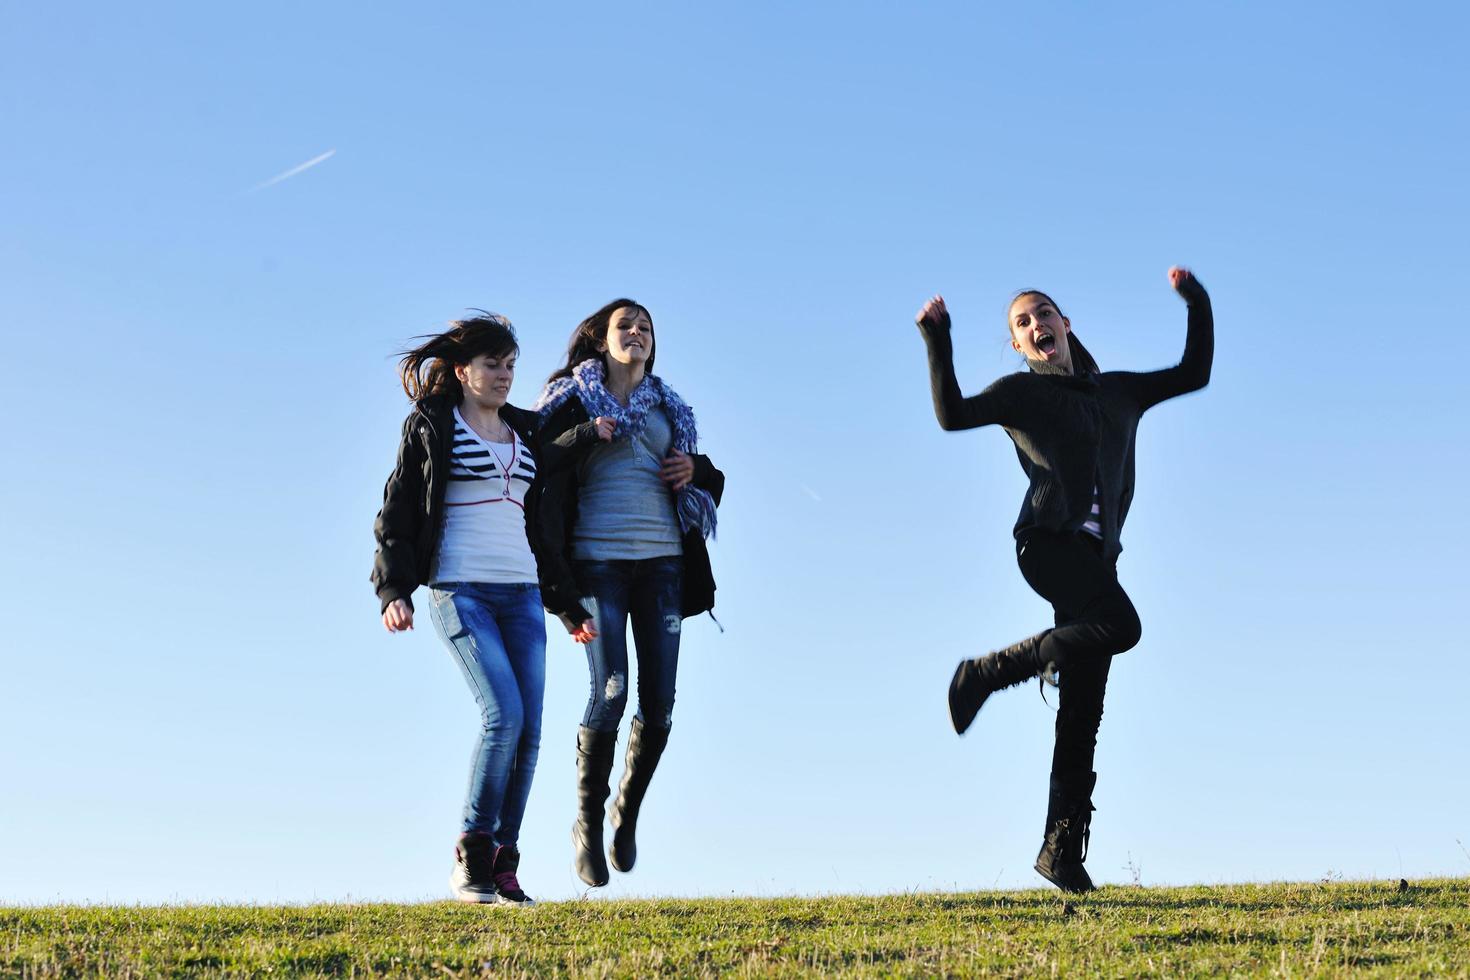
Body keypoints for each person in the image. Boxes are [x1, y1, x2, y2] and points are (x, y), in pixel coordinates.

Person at [914, 267, 1213, 892]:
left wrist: (1197, 301)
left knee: (1083, 712)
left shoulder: (1119, 392)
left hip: (1096, 563)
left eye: (1042, 313)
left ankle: (1062, 851)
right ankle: (989, 671)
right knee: (1122, 625)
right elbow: (952, 414)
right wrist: (937, 340)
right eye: (1022, 324)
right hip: (1047, 547)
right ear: (1019, 346)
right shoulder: (1023, 393)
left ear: (1066, 324)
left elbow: (1194, 372)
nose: (1035, 325)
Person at [533, 298, 724, 887]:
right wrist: (589, 431)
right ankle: (586, 825)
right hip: (596, 564)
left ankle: (626, 812)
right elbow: (536, 455)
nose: (637, 333)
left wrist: (696, 470)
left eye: (645, 327)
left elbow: (707, 476)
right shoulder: (568, 401)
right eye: (625, 326)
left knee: (661, 702)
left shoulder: (673, 407)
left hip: (663, 565)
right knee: (610, 689)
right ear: (602, 340)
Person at [371, 312, 548, 905]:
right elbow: (397, 510)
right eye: (493, 364)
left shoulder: (527, 430)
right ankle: (471, 858)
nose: (504, 376)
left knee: (530, 735)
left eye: (510, 366)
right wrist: (393, 591)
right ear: (461, 370)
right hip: (460, 590)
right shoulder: (432, 426)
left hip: (524, 594)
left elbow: (555, 503)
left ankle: (504, 864)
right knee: (503, 716)